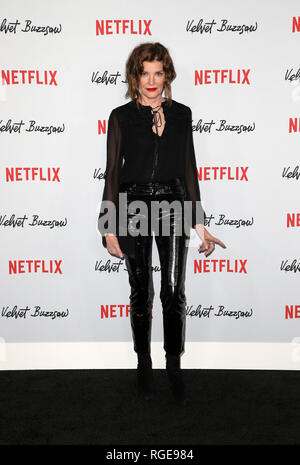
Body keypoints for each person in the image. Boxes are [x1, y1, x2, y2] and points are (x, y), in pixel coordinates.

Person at [98, 42, 226, 406]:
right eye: (144, 73)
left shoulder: (183, 115)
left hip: (172, 202)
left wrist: (200, 224)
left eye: (158, 73)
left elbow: (189, 168)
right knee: (142, 293)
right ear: (134, 76)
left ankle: (173, 366)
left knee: (173, 291)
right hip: (133, 204)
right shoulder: (120, 117)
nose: (151, 81)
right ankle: (143, 364)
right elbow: (111, 173)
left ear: (167, 75)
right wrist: (108, 226)